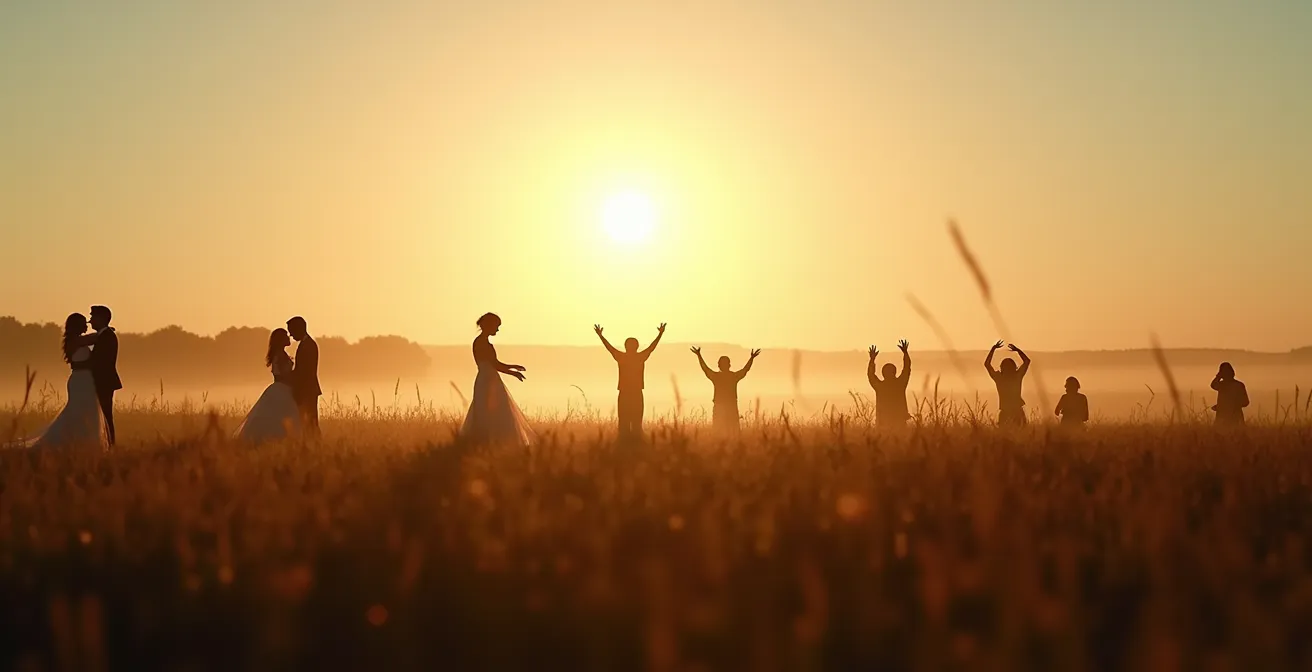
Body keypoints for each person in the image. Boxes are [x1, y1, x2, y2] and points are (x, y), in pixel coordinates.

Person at [19, 314, 107, 450]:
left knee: (85, 410)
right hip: (81, 381)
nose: (87, 325)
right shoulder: (76, 341)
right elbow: (96, 338)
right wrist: (104, 330)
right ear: (77, 326)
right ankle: (77, 441)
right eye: (84, 323)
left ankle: (85, 442)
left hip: (84, 380)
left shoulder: (76, 340)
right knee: (79, 411)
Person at [460, 313, 535, 445]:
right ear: (489, 325)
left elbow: (494, 363)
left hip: (489, 379)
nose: (497, 330)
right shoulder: (481, 342)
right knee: (487, 411)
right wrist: (513, 372)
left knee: (493, 410)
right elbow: (494, 364)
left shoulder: (482, 341)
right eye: (496, 326)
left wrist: (513, 367)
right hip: (487, 380)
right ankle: (489, 440)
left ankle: (494, 441)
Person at [595, 323, 666, 443]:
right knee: (636, 421)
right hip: (636, 393)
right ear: (637, 346)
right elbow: (651, 347)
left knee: (624, 421)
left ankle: (624, 444)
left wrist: (600, 336)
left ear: (625, 346)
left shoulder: (621, 357)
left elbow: (609, 348)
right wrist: (660, 334)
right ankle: (636, 443)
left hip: (624, 393)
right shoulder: (640, 357)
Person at [233, 329, 303, 443]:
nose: (288, 337)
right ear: (281, 340)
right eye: (285, 336)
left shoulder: (281, 354)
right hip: (282, 389)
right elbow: (280, 374)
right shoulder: (279, 356)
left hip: (283, 388)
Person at [691, 346, 760, 434]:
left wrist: (699, 355)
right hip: (731, 406)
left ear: (718, 365)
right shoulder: (733, 376)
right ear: (729, 365)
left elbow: (705, 369)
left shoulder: (716, 377)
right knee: (732, 430)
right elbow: (745, 370)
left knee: (718, 430)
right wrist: (751, 358)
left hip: (720, 406)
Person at [88, 305, 122, 447]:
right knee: (103, 414)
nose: (90, 320)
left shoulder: (107, 337)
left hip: (104, 381)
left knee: (106, 414)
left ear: (101, 319)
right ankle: (107, 443)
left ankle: (110, 444)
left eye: (92, 317)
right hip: (103, 381)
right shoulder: (104, 335)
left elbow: (102, 361)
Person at [287, 316, 321, 438]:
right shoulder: (306, 344)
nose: (290, 335)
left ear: (299, 329)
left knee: (310, 421)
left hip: (307, 390)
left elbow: (305, 371)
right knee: (306, 421)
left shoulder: (309, 345)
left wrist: (288, 377)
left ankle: (315, 443)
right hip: (306, 389)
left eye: (291, 331)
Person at [867, 340, 912, 426]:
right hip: (899, 422)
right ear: (895, 372)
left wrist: (872, 360)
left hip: (883, 422)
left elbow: (870, 375)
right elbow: (907, 369)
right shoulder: (900, 384)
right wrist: (905, 353)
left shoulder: (880, 386)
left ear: (883, 373)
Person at [985, 340, 1030, 426]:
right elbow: (1027, 361)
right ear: (1014, 367)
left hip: (1006, 412)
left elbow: (987, 364)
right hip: (1017, 411)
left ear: (1001, 368)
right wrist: (1018, 351)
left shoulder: (999, 378)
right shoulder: (1017, 376)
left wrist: (993, 349)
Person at [1210, 362, 1249, 426]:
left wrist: (1226, 406)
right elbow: (1245, 402)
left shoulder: (1222, 385)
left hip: (1229, 418)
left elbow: (1245, 402)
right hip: (1231, 417)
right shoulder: (1238, 385)